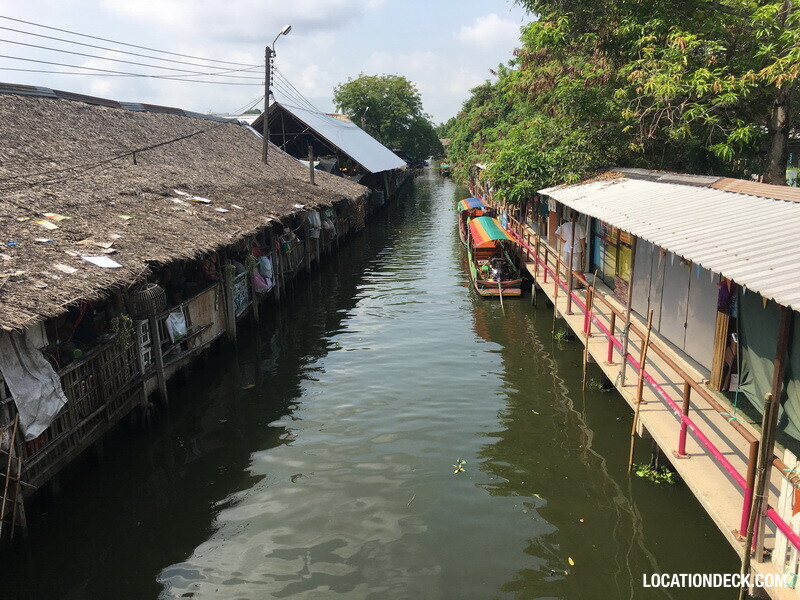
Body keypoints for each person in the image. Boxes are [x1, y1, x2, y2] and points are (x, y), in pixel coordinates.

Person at [555, 210, 586, 285]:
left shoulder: (565, 225)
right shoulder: (580, 227)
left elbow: (556, 233)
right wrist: (583, 251)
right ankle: (576, 284)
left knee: (566, 266)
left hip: (566, 248)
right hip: (576, 249)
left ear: (570, 217)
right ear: (578, 218)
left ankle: (568, 282)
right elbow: (582, 240)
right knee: (576, 267)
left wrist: (562, 240)